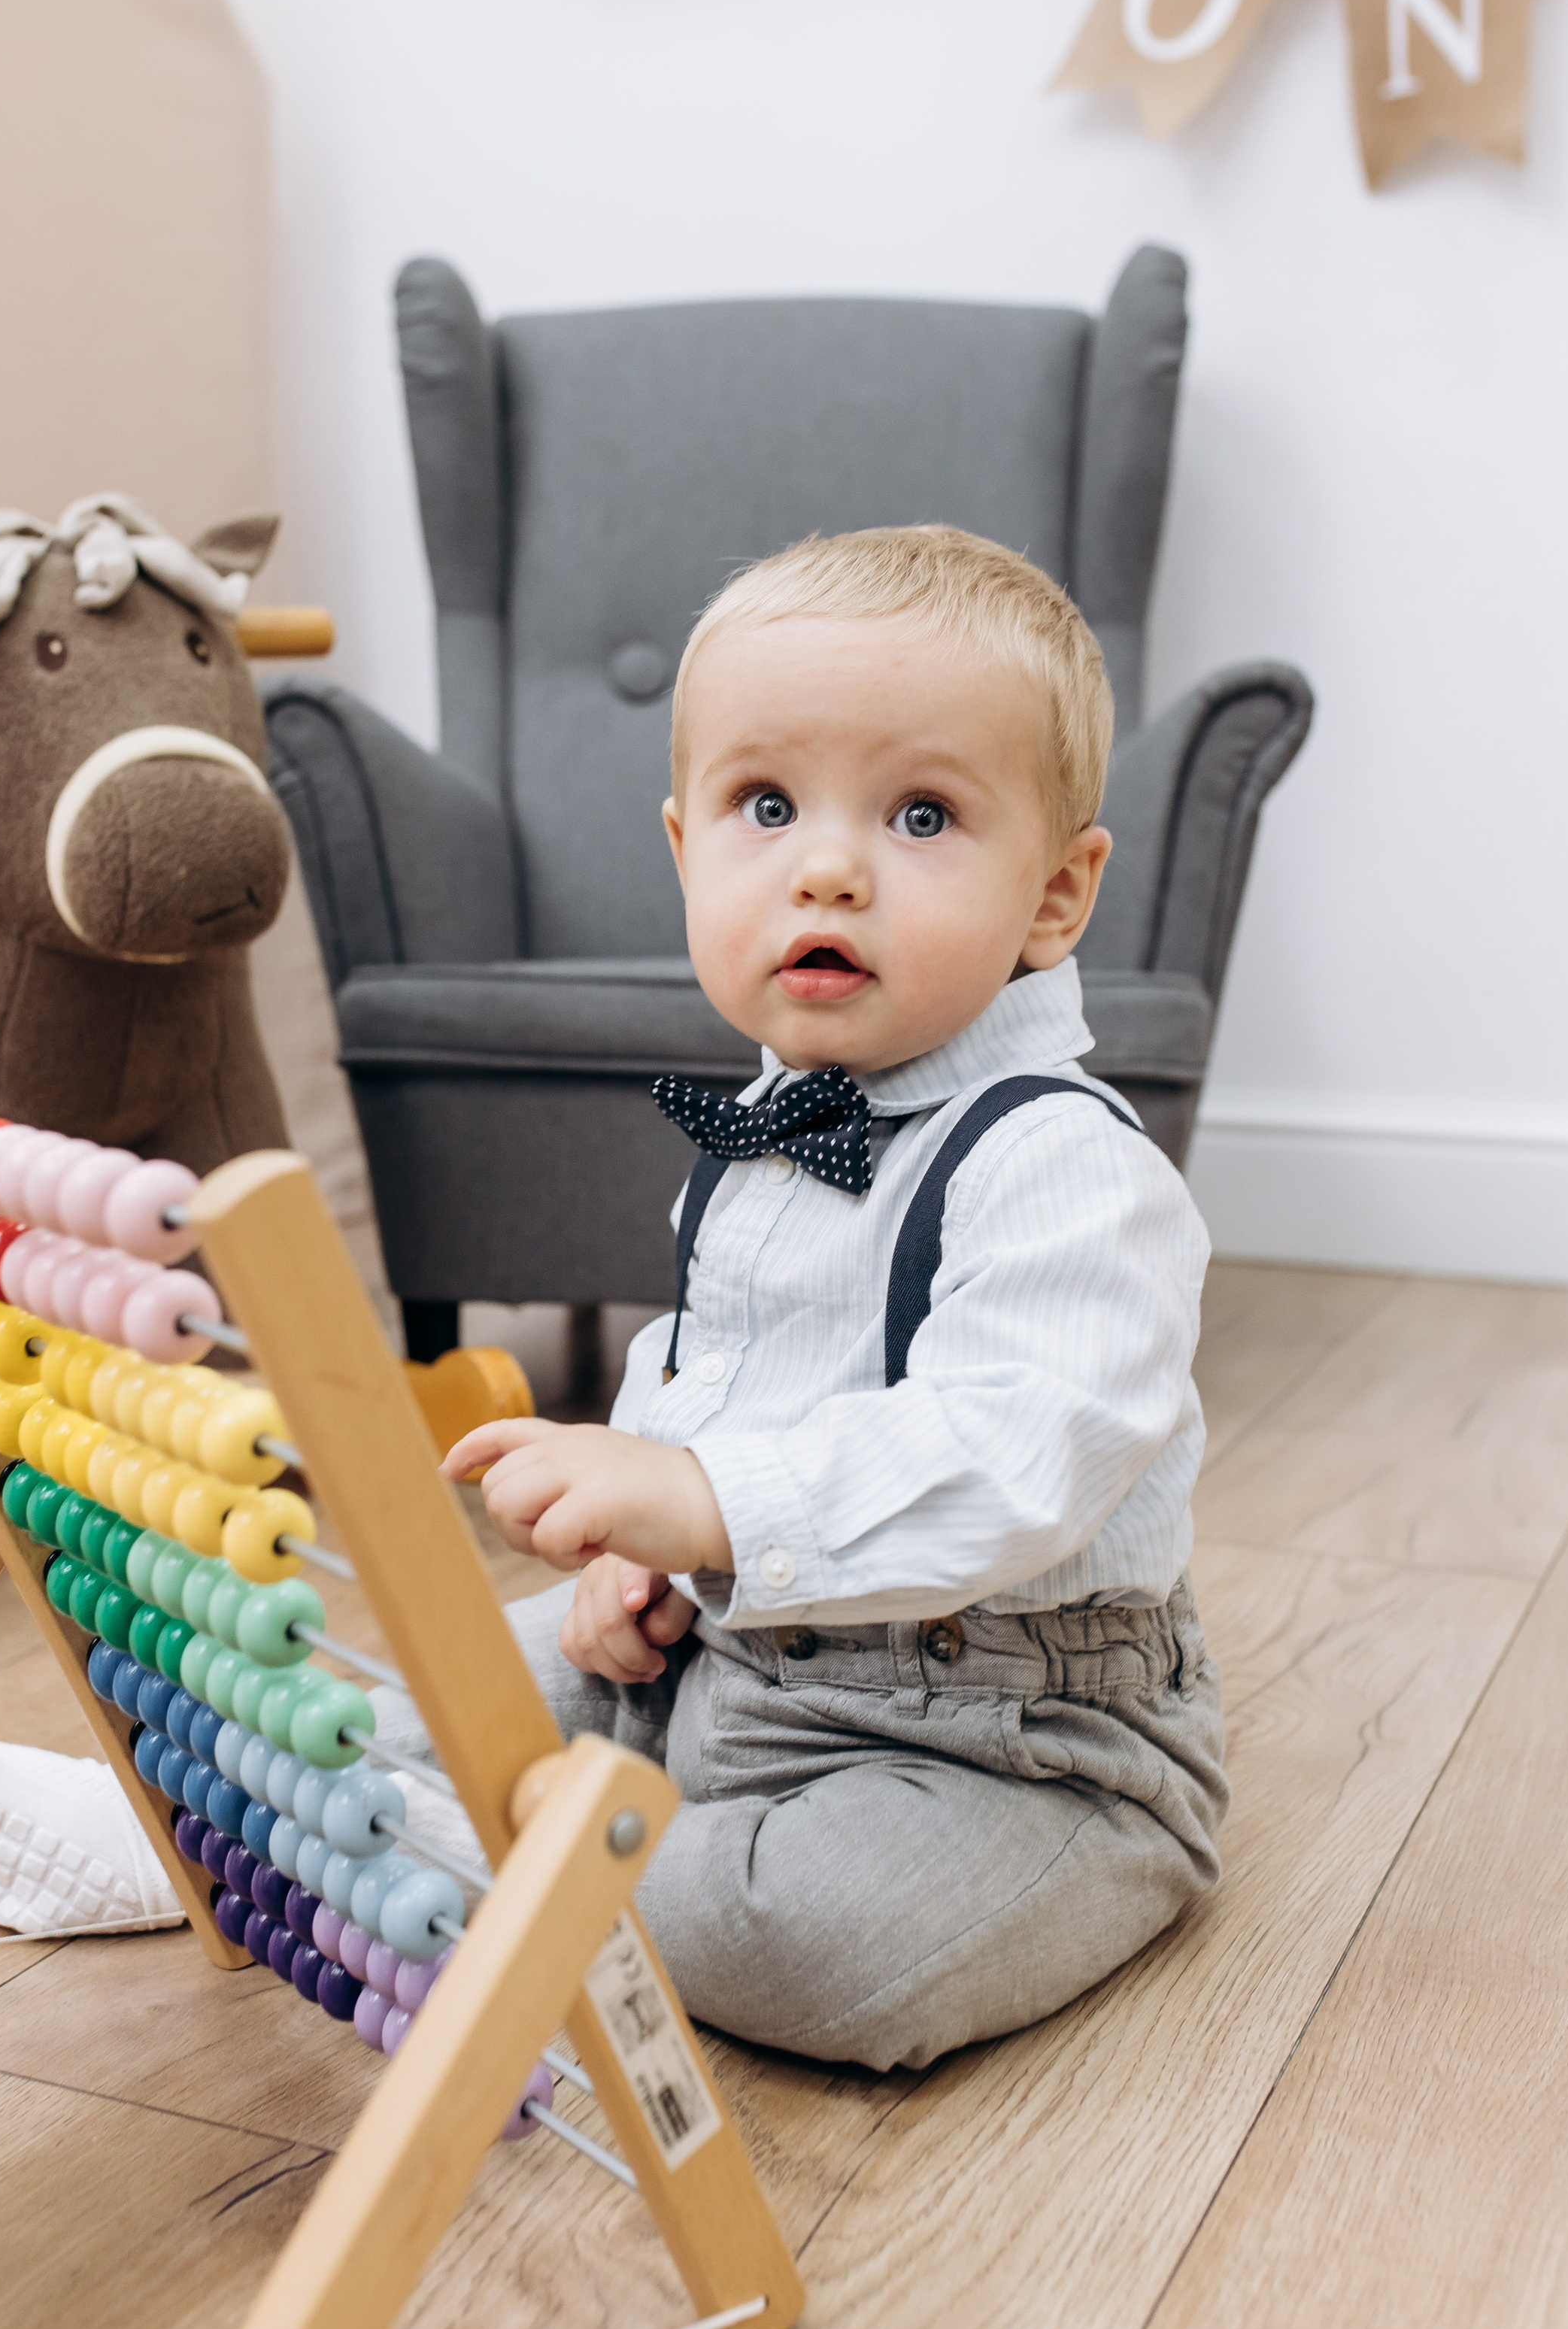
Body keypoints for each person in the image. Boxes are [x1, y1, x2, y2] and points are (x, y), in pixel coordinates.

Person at [437, 523, 1226, 2072]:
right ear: (683, 852)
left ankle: (452, 1865)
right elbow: (708, 1361)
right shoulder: (768, 1123)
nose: (824, 864)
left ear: (1055, 896)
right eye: (763, 806)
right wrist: (638, 1551)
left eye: (920, 814)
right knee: (461, 1674)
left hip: (1010, 1740)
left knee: (816, 1952)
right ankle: (248, 1814)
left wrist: (703, 1498)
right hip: (736, 1650)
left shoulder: (1065, 1168)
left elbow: (1011, 1453)